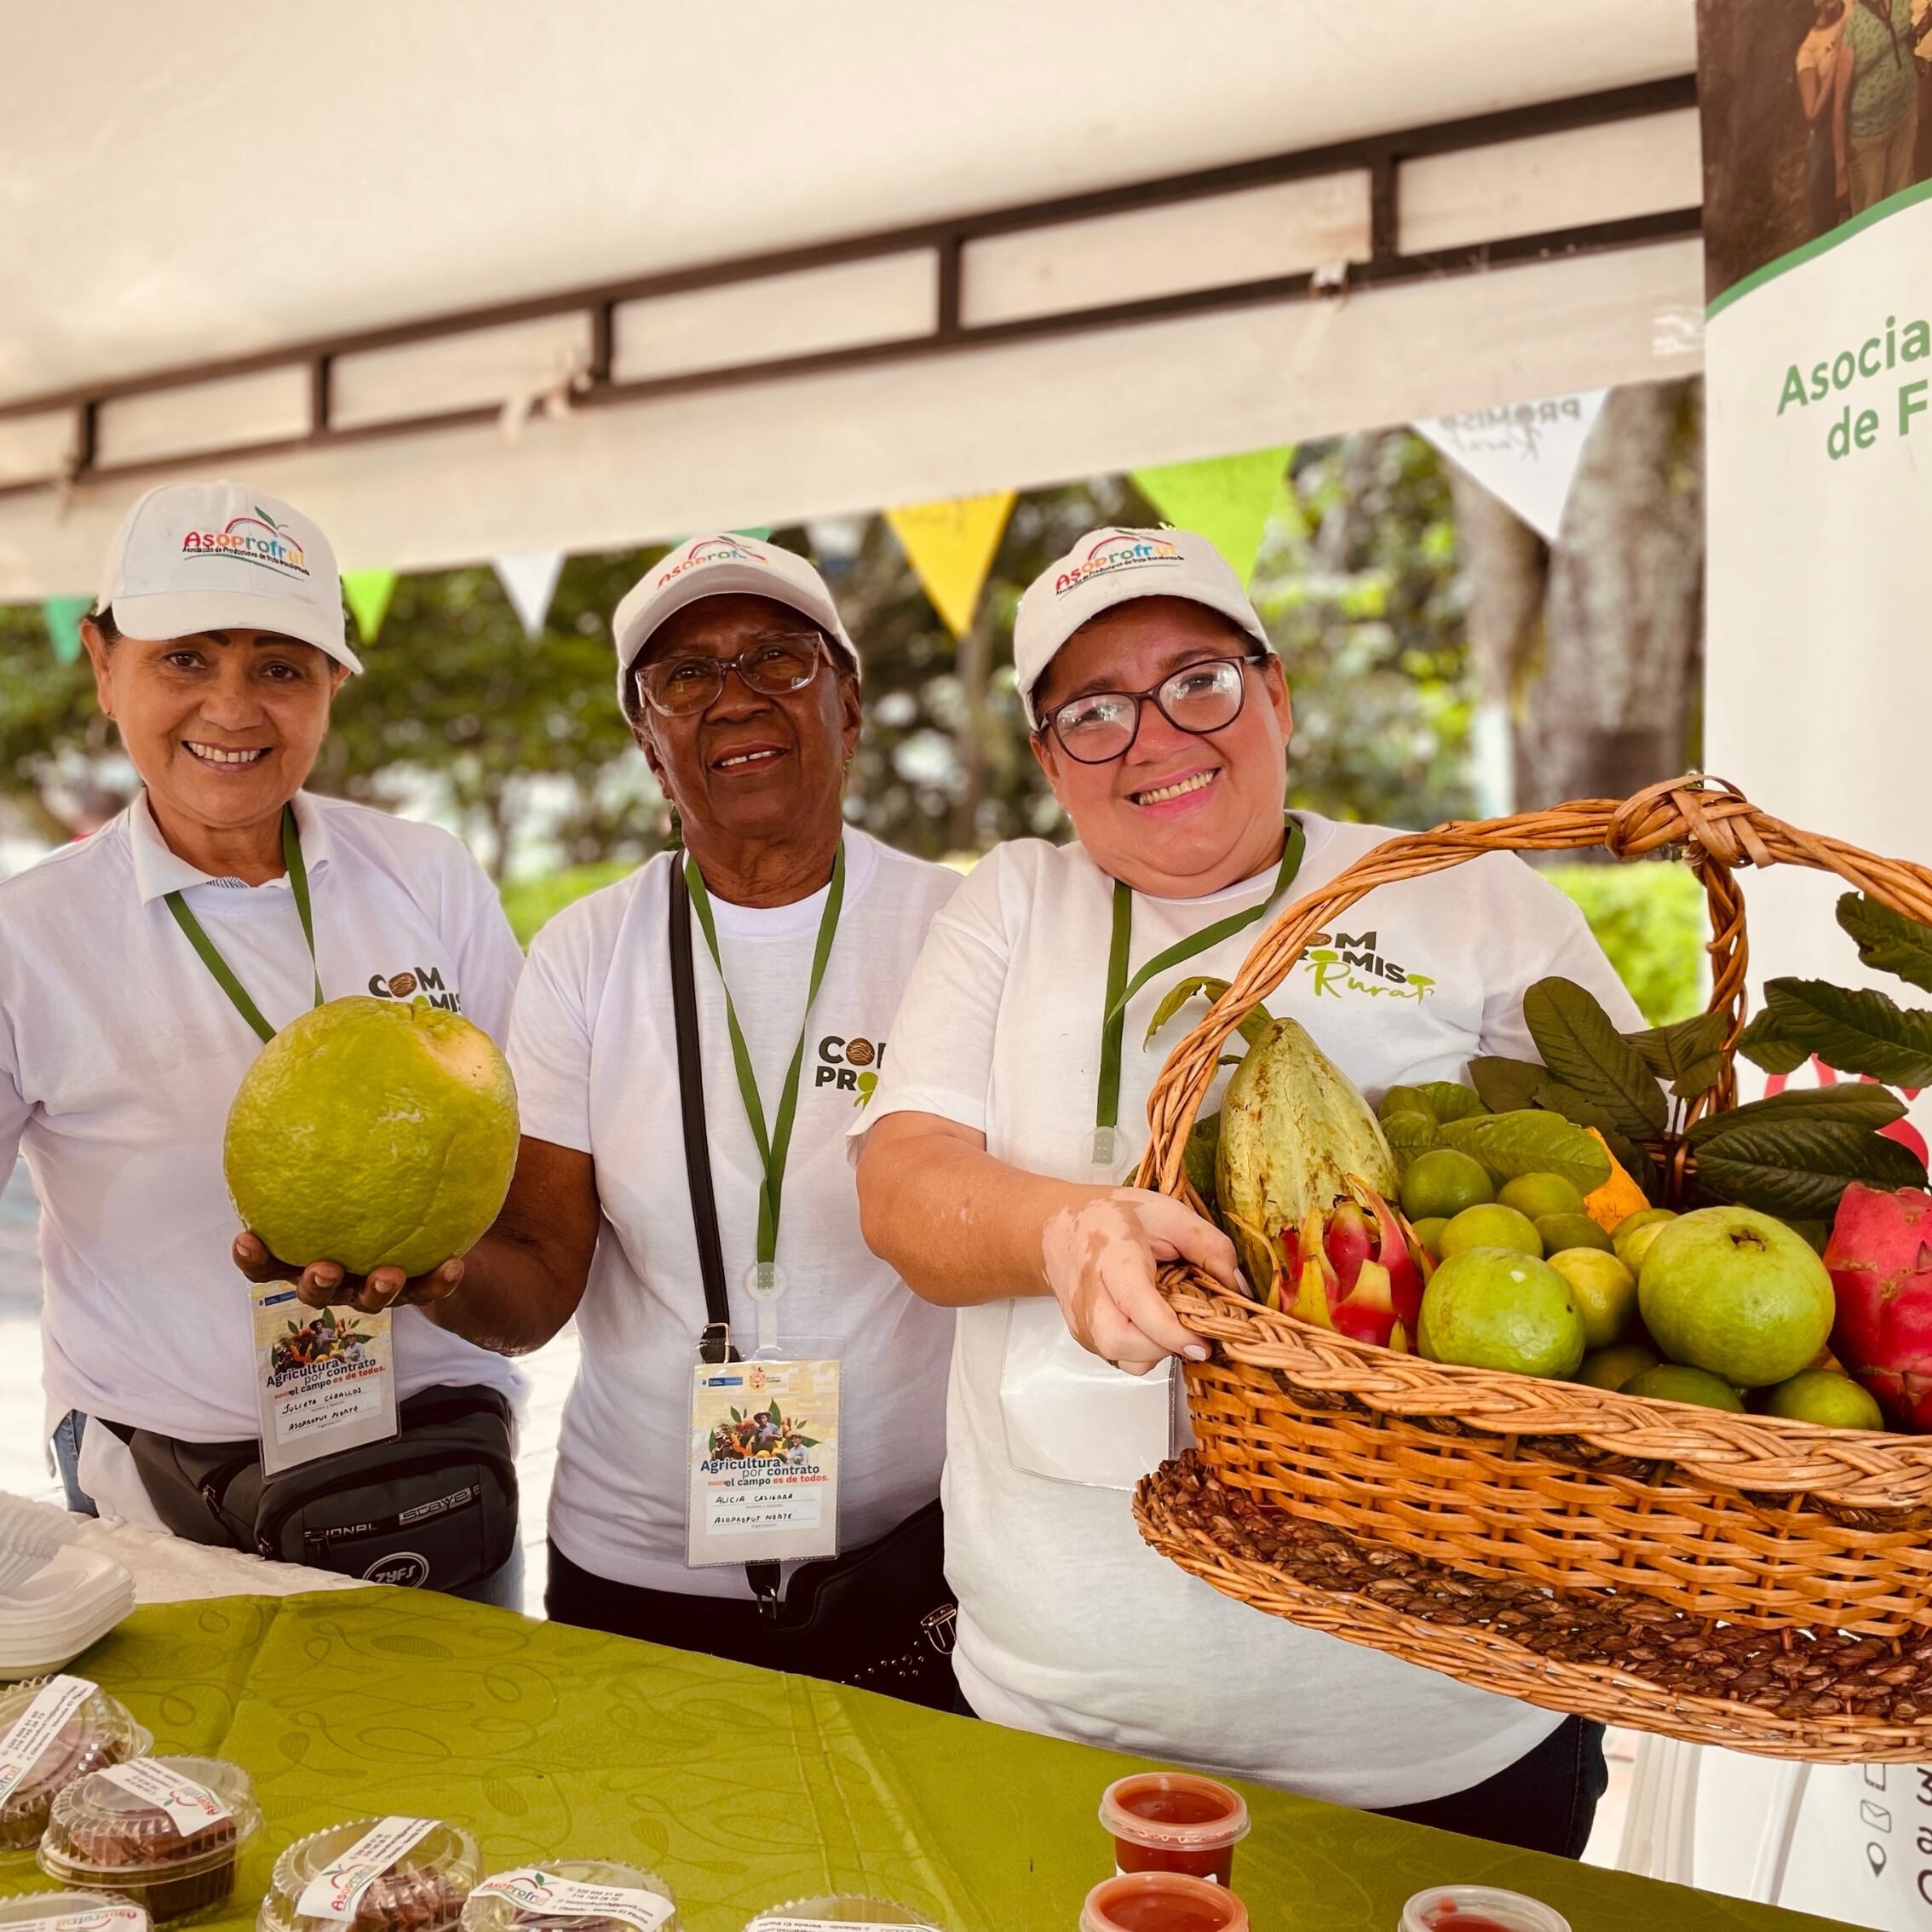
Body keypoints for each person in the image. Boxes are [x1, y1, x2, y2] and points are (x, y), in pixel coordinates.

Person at [854, 527, 1643, 1854]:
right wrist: (1067, 1226)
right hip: (1069, 1702)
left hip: (1441, 1715)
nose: (1154, 738)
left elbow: (1631, 1190)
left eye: (1197, 681)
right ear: (1051, 762)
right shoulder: (1013, 903)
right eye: (1093, 712)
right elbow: (902, 1185)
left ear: (1276, 693)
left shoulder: (1467, 898)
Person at [247, 536, 961, 1694]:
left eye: (778, 658)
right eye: (684, 676)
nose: (734, 697)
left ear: (850, 701)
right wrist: (435, 1275)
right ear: (647, 739)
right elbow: (537, 1276)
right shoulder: (588, 951)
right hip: (640, 1566)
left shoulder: (958, 928)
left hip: (914, 1560)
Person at [3, 480, 526, 1605]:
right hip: (168, 1511)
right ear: (103, 663)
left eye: (279, 667)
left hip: (438, 1481)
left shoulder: (426, 875)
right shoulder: (27, 935)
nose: (232, 708)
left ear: (332, 684)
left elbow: (527, 1178)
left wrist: (452, 1276)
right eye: (185, 657)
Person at [1835, 0, 1918, 212]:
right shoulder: (1852, 24)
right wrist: (1841, 170)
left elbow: (1907, 40)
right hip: (1868, 136)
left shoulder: (1902, 4)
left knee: (1903, 200)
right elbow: (1839, 104)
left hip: (1904, 116)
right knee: (1870, 213)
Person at [1797, 0, 1851, 235]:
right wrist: (1837, 63)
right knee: (1831, 217)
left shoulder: (1853, 7)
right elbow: (1812, 112)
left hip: (1862, 117)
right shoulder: (1808, 50)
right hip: (1826, 136)